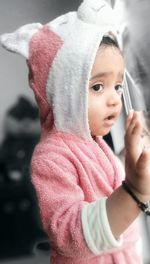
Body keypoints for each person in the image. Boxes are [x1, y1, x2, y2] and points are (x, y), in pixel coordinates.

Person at [1, 0, 150, 263]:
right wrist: (134, 191)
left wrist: (129, 159)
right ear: (64, 94)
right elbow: (70, 238)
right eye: (97, 87)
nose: (115, 99)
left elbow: (104, 181)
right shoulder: (51, 158)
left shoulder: (93, 143)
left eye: (117, 86)